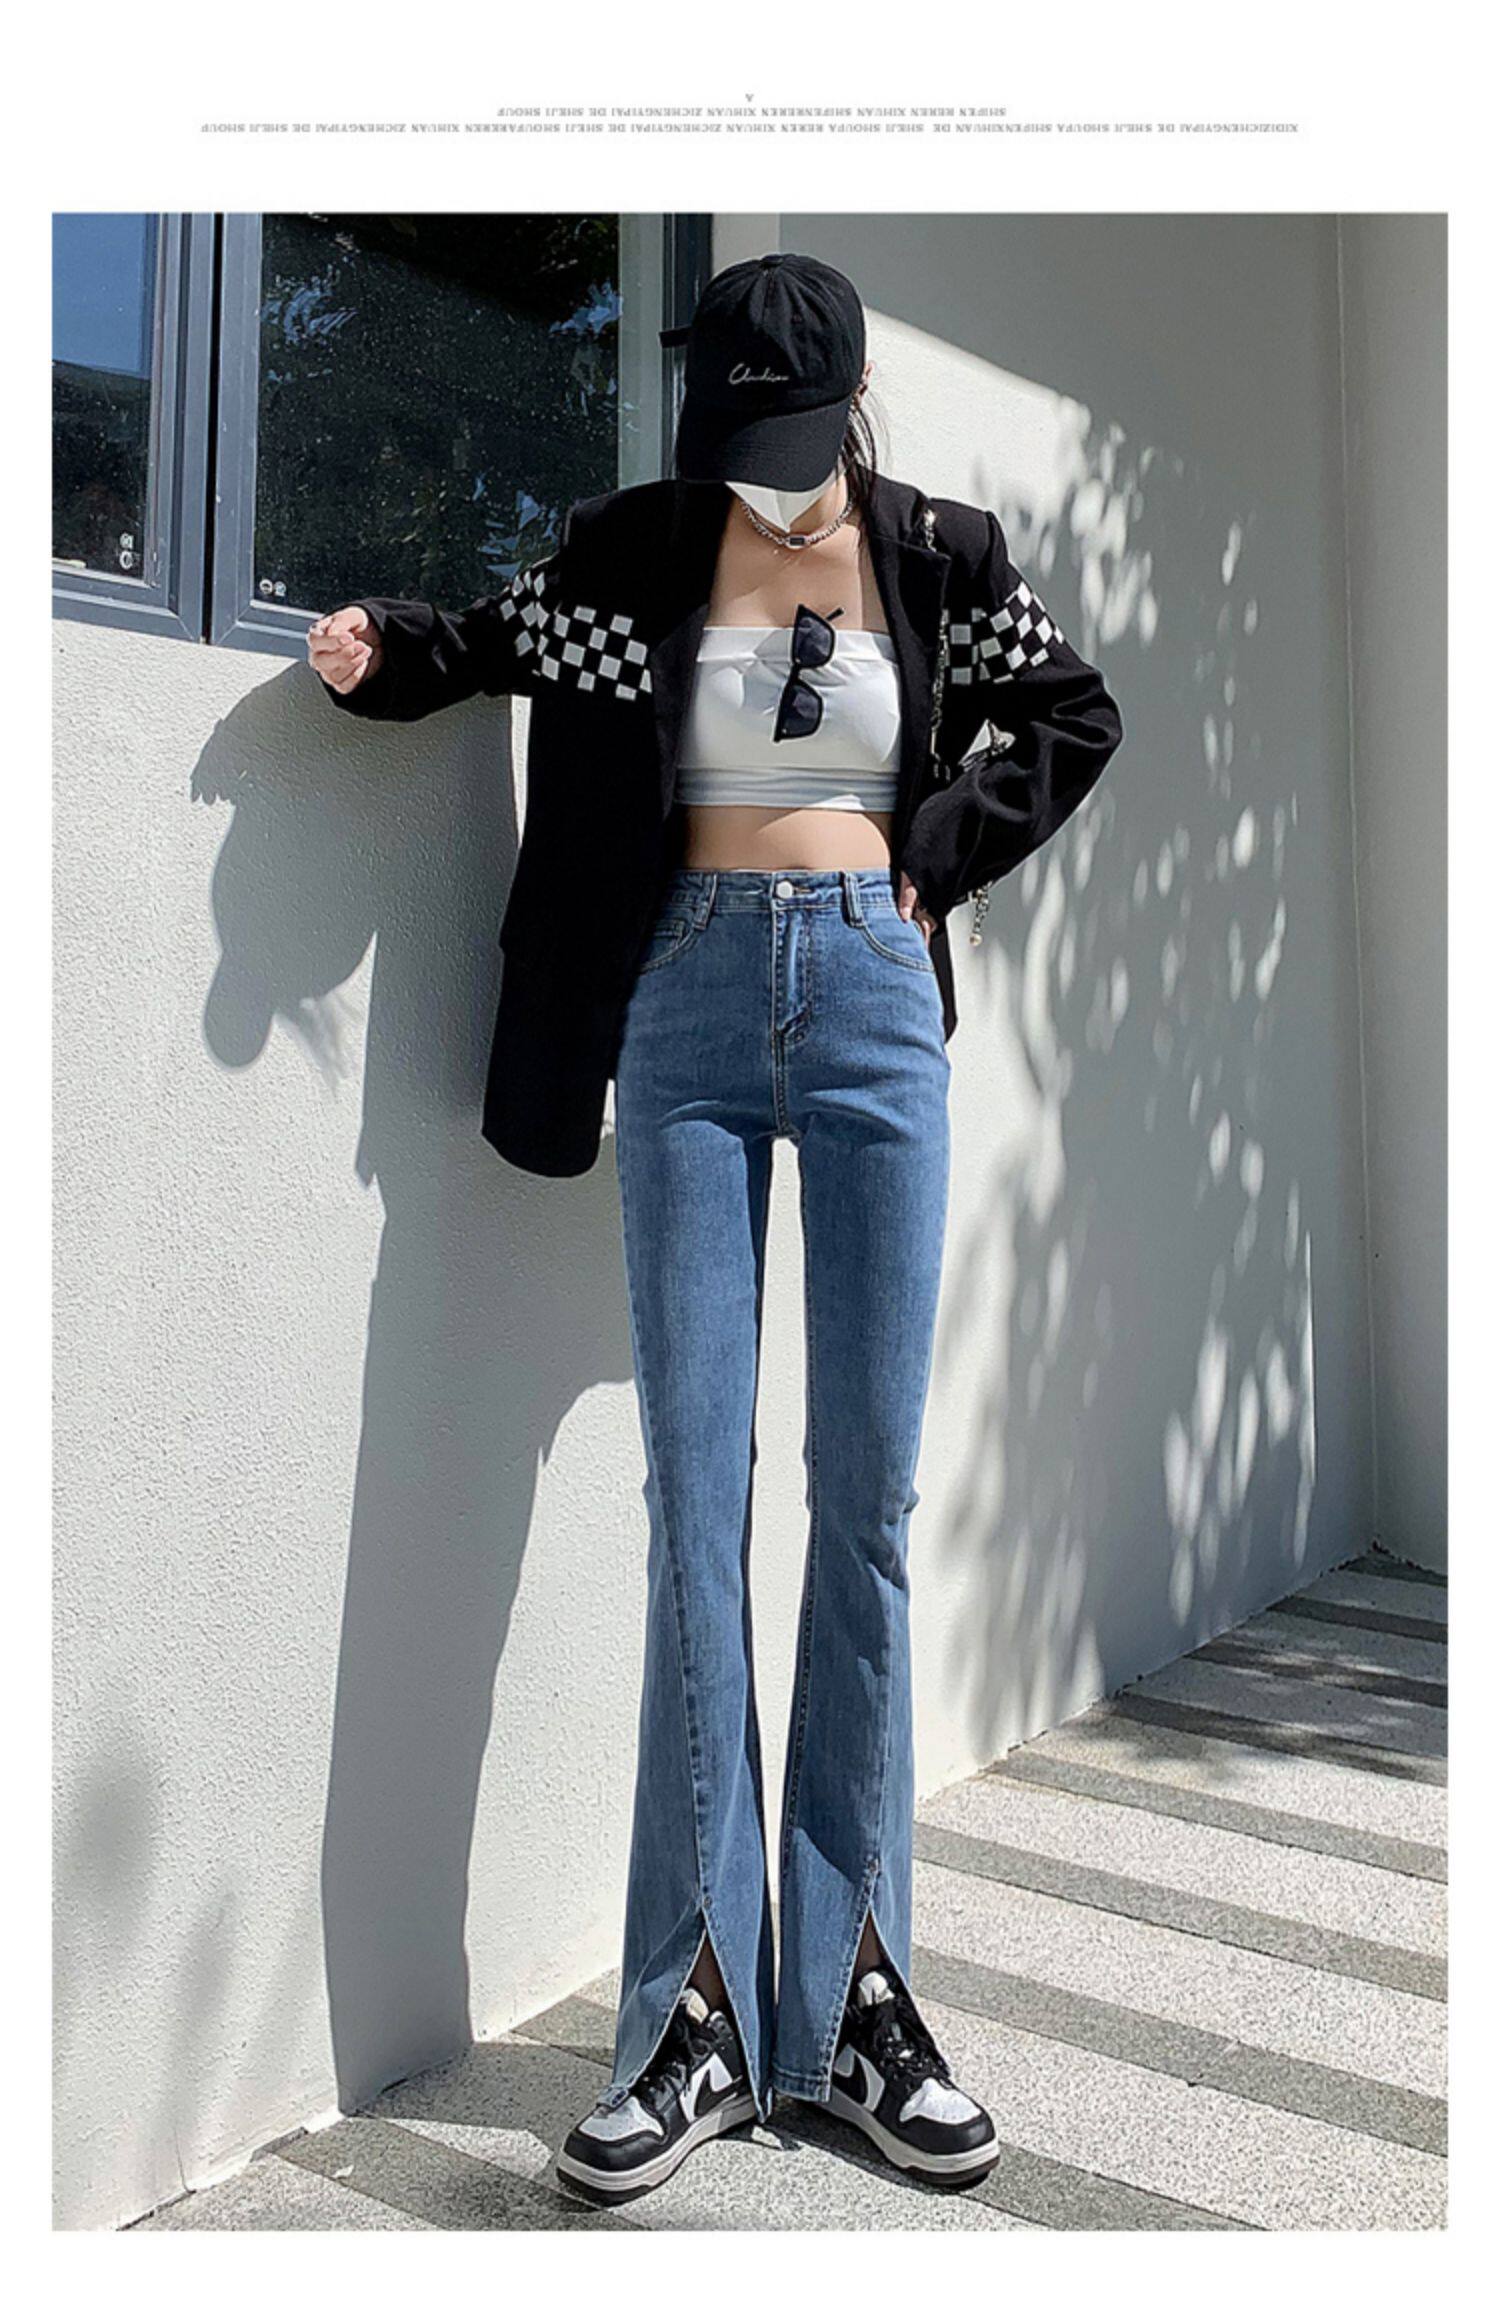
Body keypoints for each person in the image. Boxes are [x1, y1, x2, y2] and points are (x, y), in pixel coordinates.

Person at [309, 252, 1123, 2205]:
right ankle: (686, 2011)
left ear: (846, 408)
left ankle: (852, 1995)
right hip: (677, 1006)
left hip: (870, 1002)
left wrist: (936, 850)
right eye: (733, 432)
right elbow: (501, 639)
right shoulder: (636, 549)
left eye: (789, 433)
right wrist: (384, 648)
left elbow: (1074, 710)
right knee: (696, 1496)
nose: (760, 466)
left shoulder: (938, 555)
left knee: (865, 1503)